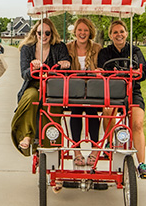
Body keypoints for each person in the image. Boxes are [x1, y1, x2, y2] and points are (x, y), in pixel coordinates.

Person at [97, 19, 146, 179]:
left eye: (121, 31)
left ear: (126, 33)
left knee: (137, 124)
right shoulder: (105, 53)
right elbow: (102, 71)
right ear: (110, 35)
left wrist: (132, 73)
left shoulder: (135, 52)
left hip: (132, 91)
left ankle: (142, 163)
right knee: (107, 112)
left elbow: (143, 74)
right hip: (112, 92)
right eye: (115, 32)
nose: (119, 35)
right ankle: (108, 143)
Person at [11, 19, 71, 156]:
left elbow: (67, 62)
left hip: (53, 86)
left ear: (52, 34)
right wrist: (32, 68)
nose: (43, 36)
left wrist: (65, 63)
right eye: (40, 33)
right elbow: (24, 74)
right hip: (33, 84)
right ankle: (26, 135)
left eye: (47, 33)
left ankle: (52, 140)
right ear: (35, 33)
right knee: (32, 97)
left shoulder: (59, 47)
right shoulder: (27, 48)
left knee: (52, 103)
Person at [66, 18, 102, 166]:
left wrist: (99, 71)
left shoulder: (97, 48)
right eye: (80, 30)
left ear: (90, 32)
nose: (82, 33)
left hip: (92, 88)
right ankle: (77, 151)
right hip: (75, 88)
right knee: (76, 109)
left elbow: (102, 66)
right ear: (75, 31)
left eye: (85, 30)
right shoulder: (68, 48)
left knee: (91, 109)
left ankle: (94, 149)